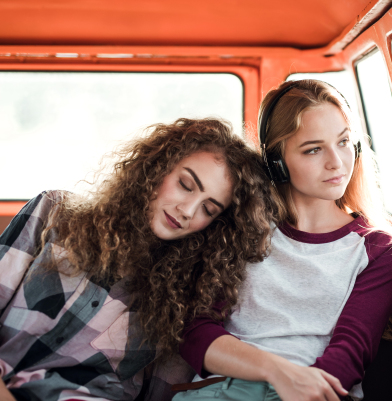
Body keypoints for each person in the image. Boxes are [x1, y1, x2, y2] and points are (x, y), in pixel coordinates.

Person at [0, 118, 280, 401]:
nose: (187, 210)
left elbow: (161, 395)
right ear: (157, 168)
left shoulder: (187, 296)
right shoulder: (53, 212)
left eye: (208, 209)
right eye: (185, 185)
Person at [175, 80, 392, 401]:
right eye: (313, 149)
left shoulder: (377, 249)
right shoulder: (244, 228)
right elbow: (195, 330)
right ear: (277, 163)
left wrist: (297, 386)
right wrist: (275, 371)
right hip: (227, 389)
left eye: (343, 142)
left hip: (318, 391)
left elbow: (352, 350)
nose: (336, 162)